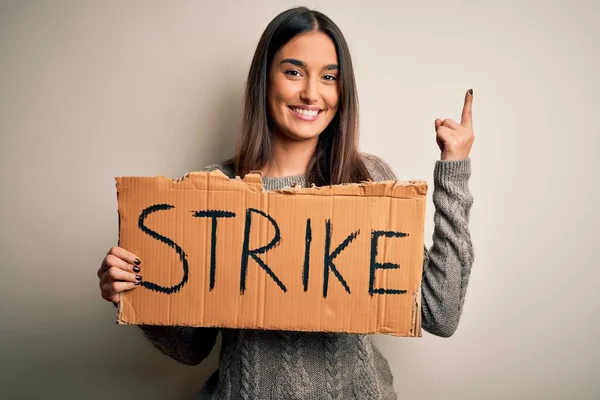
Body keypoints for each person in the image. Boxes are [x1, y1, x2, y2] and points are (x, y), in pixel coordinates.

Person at [97, 6, 475, 400]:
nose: (312, 93)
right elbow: (192, 350)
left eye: (329, 77)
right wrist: (136, 290)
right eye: (294, 72)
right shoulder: (212, 189)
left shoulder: (369, 181)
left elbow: (440, 314)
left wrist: (454, 171)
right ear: (265, 79)